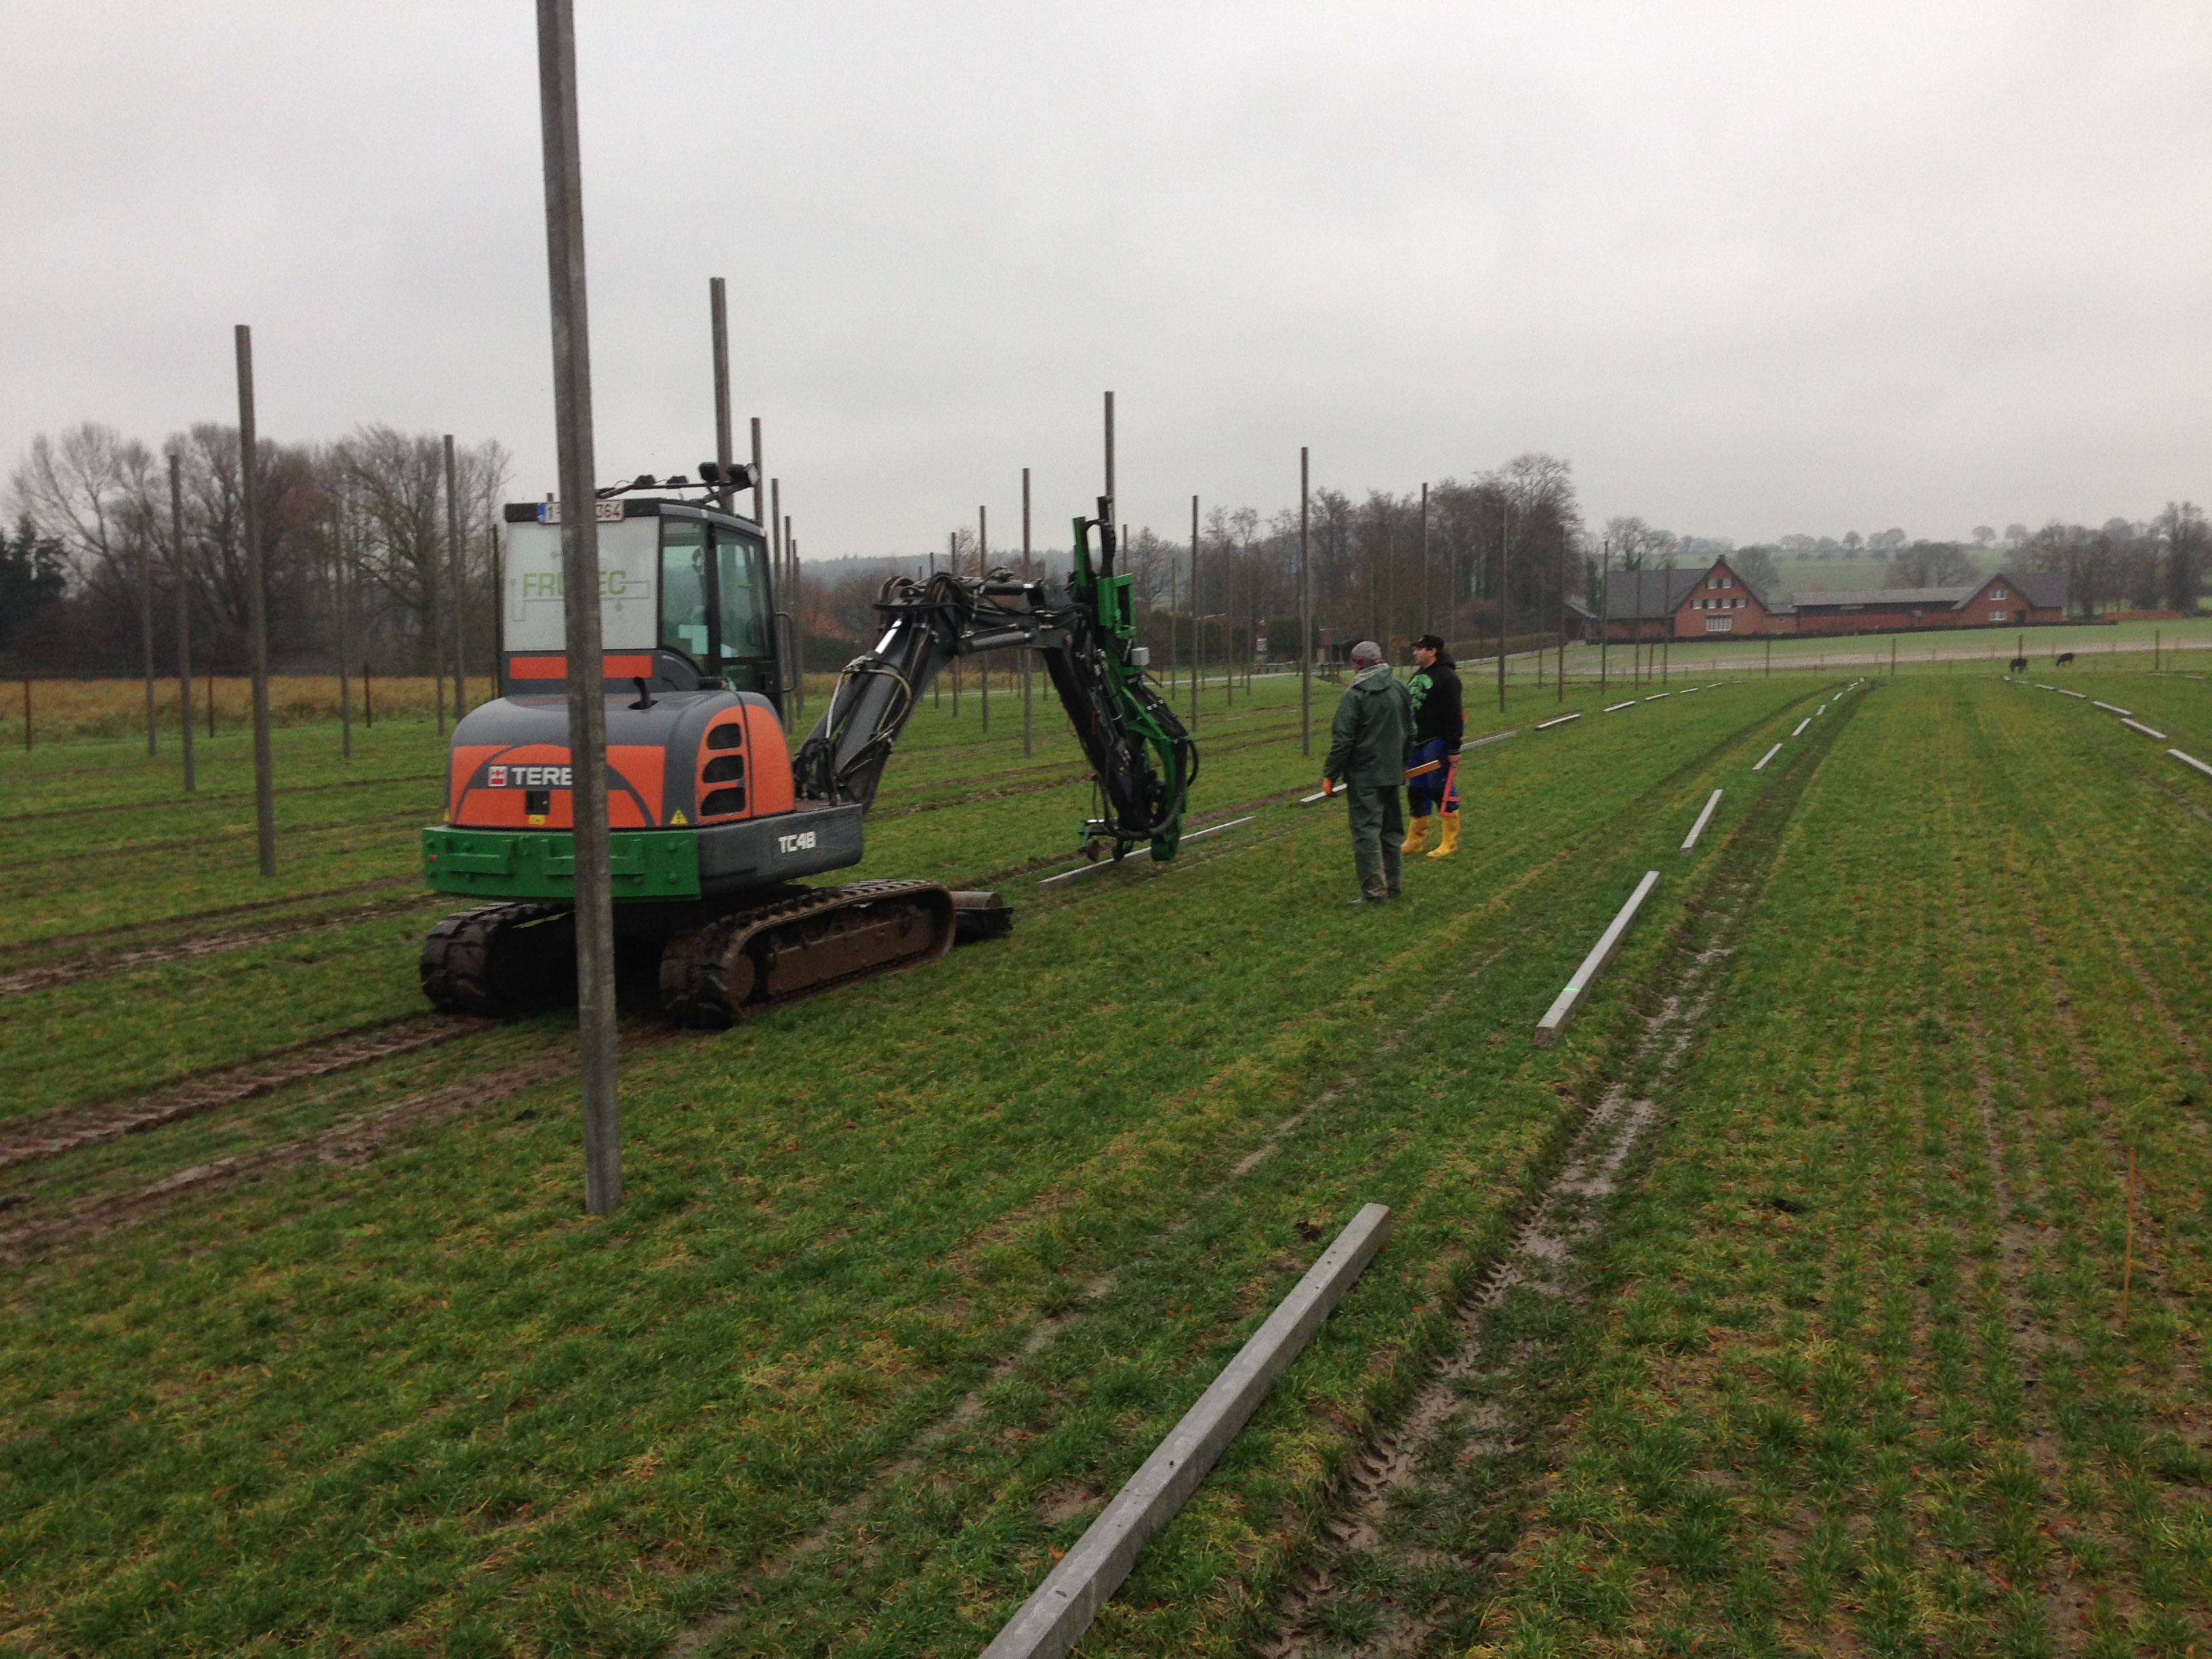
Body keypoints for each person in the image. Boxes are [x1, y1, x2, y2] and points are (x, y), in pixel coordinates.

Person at [1320, 639, 1415, 903]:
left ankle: (1375, 892)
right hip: (1392, 773)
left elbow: (1343, 740)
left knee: (1366, 832)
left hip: (1364, 776)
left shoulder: (1356, 694)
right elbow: (1412, 731)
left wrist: (1331, 774)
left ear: (1358, 664)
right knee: (1391, 830)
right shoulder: (1400, 688)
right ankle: (1394, 886)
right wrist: (1403, 763)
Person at [1403, 634, 1464, 858]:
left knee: (1440, 788)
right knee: (1417, 790)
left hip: (1436, 742)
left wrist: (1454, 748)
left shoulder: (1448, 678)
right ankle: (1416, 840)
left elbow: (1454, 715)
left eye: (1419, 649)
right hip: (1416, 743)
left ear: (1432, 651)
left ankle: (1449, 841)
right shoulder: (1417, 676)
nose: (1415, 652)